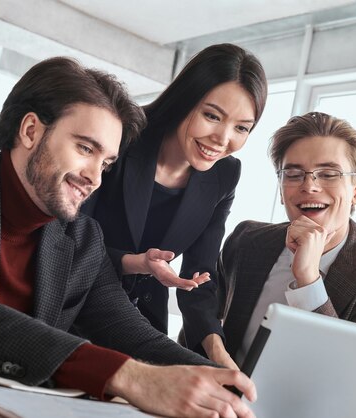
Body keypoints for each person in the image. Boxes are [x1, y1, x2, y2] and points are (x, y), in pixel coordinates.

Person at [0, 57, 257, 418]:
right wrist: (130, 377)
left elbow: (129, 332)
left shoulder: (81, 238)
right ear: (31, 130)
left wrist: (226, 386)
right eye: (85, 149)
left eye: (105, 163)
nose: (94, 178)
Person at [82, 43, 268, 369]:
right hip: (74, 301)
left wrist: (218, 354)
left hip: (142, 324)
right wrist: (134, 262)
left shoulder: (225, 175)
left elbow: (199, 278)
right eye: (212, 116)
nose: (223, 139)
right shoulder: (122, 134)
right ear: (186, 100)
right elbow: (66, 238)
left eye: (241, 127)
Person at [217, 111, 356, 365]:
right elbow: (202, 330)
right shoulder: (246, 240)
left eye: (328, 174)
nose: (309, 186)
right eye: (293, 174)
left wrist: (308, 280)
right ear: (281, 190)